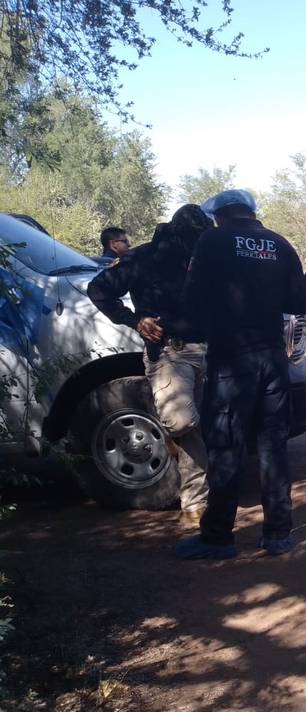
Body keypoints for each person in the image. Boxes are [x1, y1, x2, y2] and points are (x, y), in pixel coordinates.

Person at [176, 189, 306, 560]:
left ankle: (218, 538)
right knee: (273, 445)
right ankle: (278, 534)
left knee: (226, 447)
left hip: (232, 361)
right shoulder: (280, 244)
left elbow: (191, 299)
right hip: (272, 360)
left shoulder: (212, 241)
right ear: (251, 213)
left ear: (219, 216)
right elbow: (300, 303)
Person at [87, 205, 213, 525]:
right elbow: (98, 289)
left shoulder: (207, 256)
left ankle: (197, 506)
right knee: (182, 423)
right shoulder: (143, 258)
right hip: (171, 351)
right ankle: (178, 453)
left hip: (211, 349)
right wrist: (133, 320)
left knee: (202, 426)